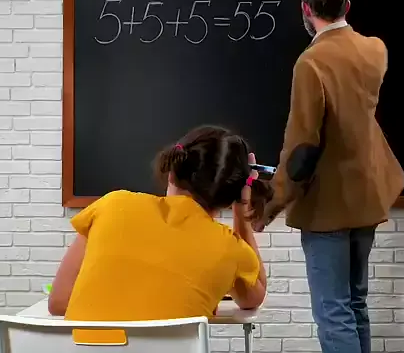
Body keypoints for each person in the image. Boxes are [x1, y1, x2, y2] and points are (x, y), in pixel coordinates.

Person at [253, 0, 404, 353]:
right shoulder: (375, 49)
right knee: (355, 304)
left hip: (328, 205)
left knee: (333, 311)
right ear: (347, 6)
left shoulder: (311, 63)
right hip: (367, 195)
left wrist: (269, 206)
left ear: (306, 9)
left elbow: (302, 148)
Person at [49, 126, 272, 328]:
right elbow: (253, 299)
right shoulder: (230, 248)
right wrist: (242, 211)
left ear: (172, 169)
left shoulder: (112, 205)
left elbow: (59, 302)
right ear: (233, 195)